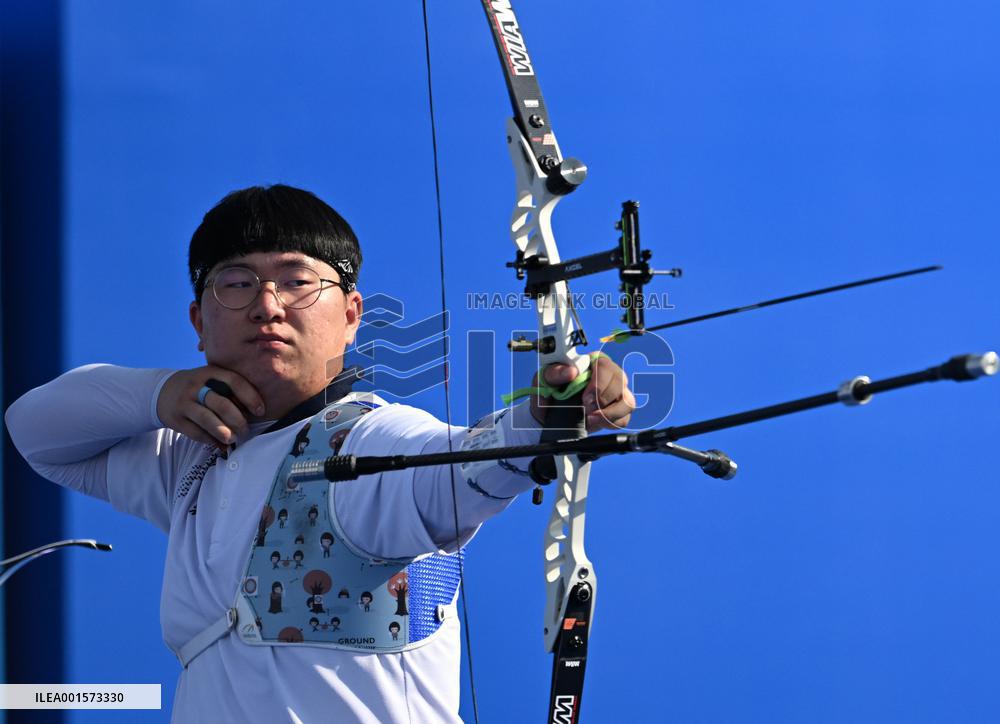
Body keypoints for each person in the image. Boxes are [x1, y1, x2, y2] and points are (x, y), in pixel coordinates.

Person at [5, 184, 635, 722]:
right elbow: (35, 430)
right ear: (198, 320)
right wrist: (160, 392)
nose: (268, 307)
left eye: (298, 281)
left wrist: (545, 419)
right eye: (237, 283)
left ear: (352, 314)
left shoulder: (369, 440)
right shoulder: (191, 458)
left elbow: (459, 468)